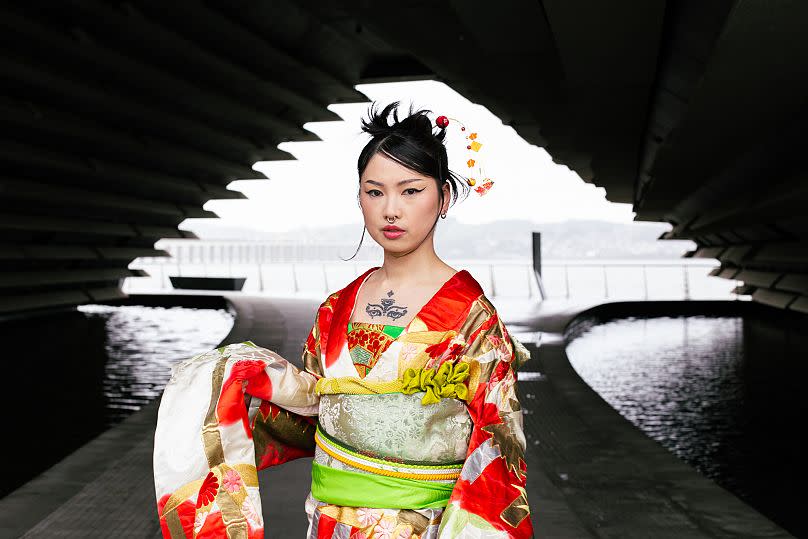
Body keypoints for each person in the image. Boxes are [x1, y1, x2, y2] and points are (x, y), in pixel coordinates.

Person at [153, 101, 534, 538]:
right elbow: (315, 405)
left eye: (411, 191)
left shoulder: (474, 318)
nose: (391, 210)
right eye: (375, 192)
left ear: (443, 197)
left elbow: (499, 448)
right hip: (328, 521)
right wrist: (245, 373)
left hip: (423, 527)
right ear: (360, 198)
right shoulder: (337, 307)